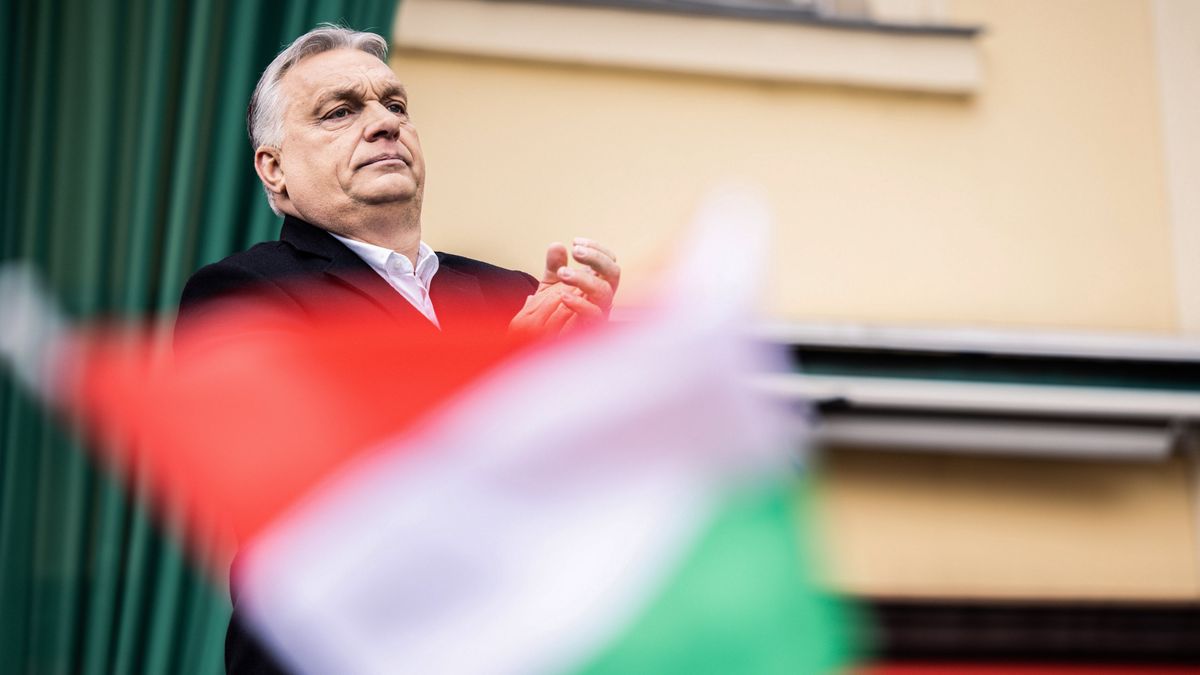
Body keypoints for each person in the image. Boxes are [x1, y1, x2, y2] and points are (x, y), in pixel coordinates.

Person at [175, 25, 620, 674]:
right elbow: (327, 503)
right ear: (274, 170)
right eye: (341, 110)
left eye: (395, 104)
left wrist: (602, 372)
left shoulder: (511, 295)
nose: (384, 123)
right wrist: (497, 380)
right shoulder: (241, 295)